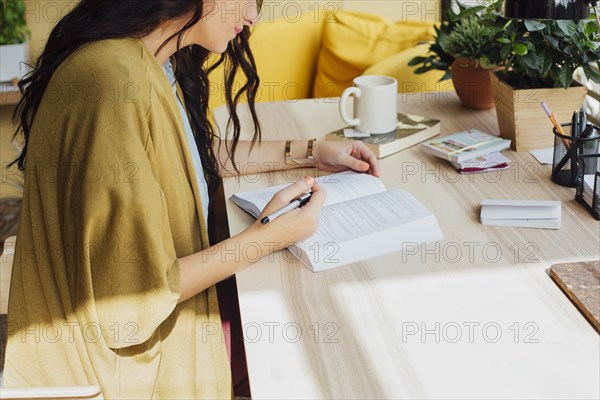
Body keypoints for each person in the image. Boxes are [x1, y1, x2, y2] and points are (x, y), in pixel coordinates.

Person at [4, 0, 379, 398]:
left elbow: (186, 157)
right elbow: (129, 305)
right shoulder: (114, 80)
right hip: (124, 371)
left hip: (151, 332)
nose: (253, 16)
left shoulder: (149, 58)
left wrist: (309, 149)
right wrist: (268, 236)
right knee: (318, 347)